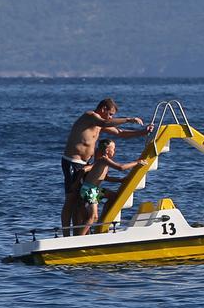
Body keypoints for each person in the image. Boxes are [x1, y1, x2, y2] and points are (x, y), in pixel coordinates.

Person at [61, 98, 148, 231]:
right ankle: (66, 235)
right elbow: (105, 122)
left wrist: (143, 132)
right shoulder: (90, 117)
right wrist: (129, 119)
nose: (111, 117)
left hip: (85, 163)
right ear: (103, 109)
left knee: (79, 201)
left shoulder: (100, 124)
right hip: (72, 162)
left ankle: (81, 233)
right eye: (111, 114)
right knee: (71, 200)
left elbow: (121, 133)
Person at [72, 138, 145, 236]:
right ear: (107, 150)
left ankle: (102, 220)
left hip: (94, 190)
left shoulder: (103, 161)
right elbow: (121, 167)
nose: (115, 151)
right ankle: (80, 239)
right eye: (113, 149)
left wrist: (120, 180)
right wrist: (137, 162)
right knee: (93, 216)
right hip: (90, 190)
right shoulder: (103, 160)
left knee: (113, 196)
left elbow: (105, 177)